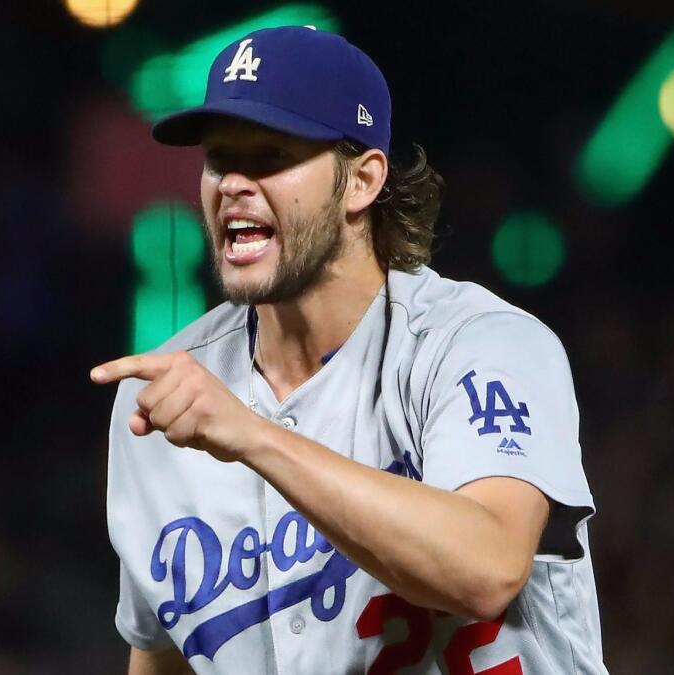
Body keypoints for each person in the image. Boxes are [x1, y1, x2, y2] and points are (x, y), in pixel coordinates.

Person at [91, 25, 607, 675]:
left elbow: (489, 564)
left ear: (361, 181)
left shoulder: (477, 343)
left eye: (272, 155)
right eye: (221, 159)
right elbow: (162, 652)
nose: (232, 183)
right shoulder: (164, 393)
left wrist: (250, 434)